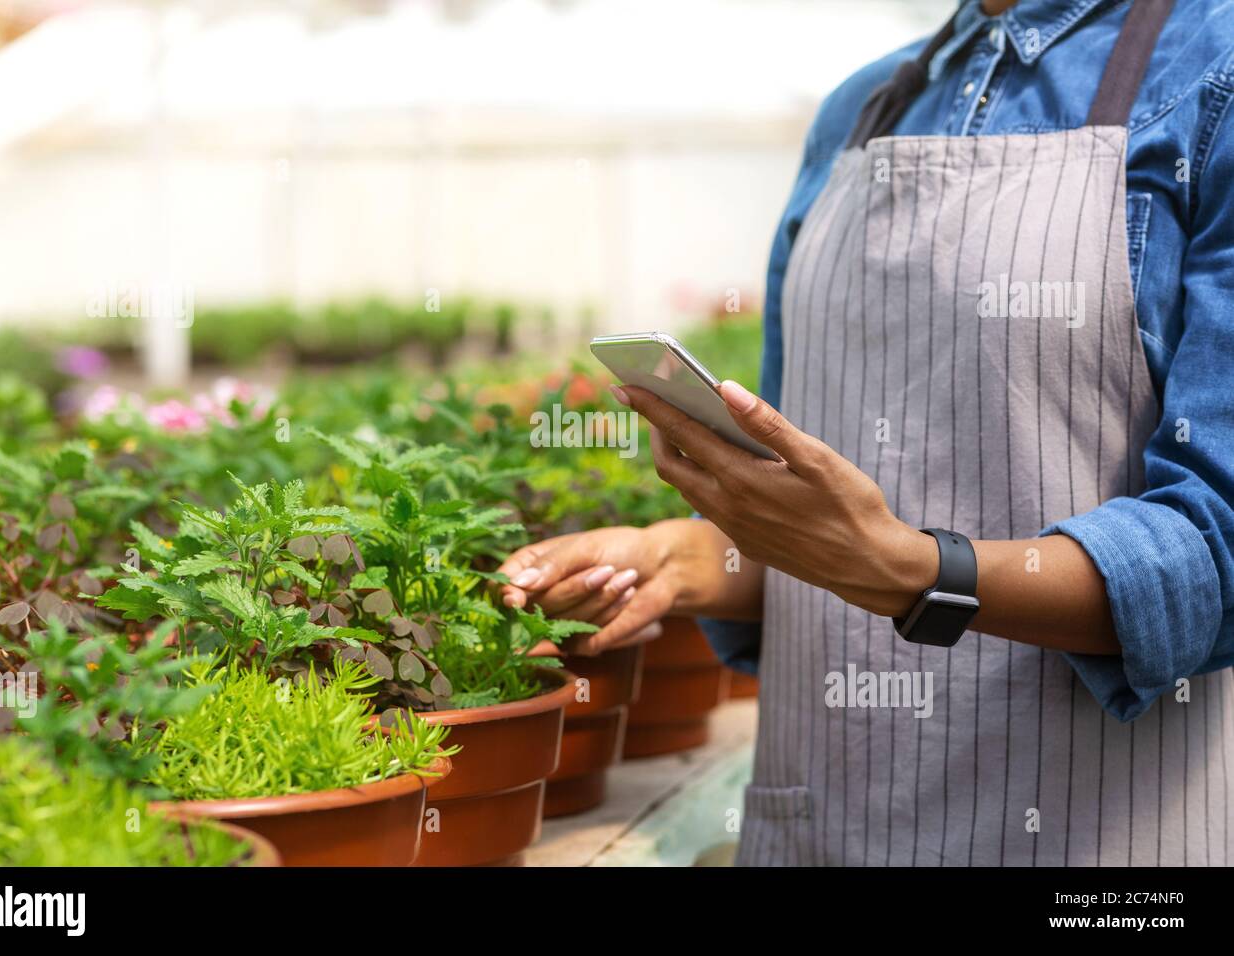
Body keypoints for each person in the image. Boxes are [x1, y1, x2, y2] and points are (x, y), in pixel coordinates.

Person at [498, 0, 1234, 866]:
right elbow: (821, 520)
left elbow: (1213, 549)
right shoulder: (858, 112)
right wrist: (692, 558)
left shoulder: (1207, 72)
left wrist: (910, 570)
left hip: (1086, 842)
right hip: (821, 822)